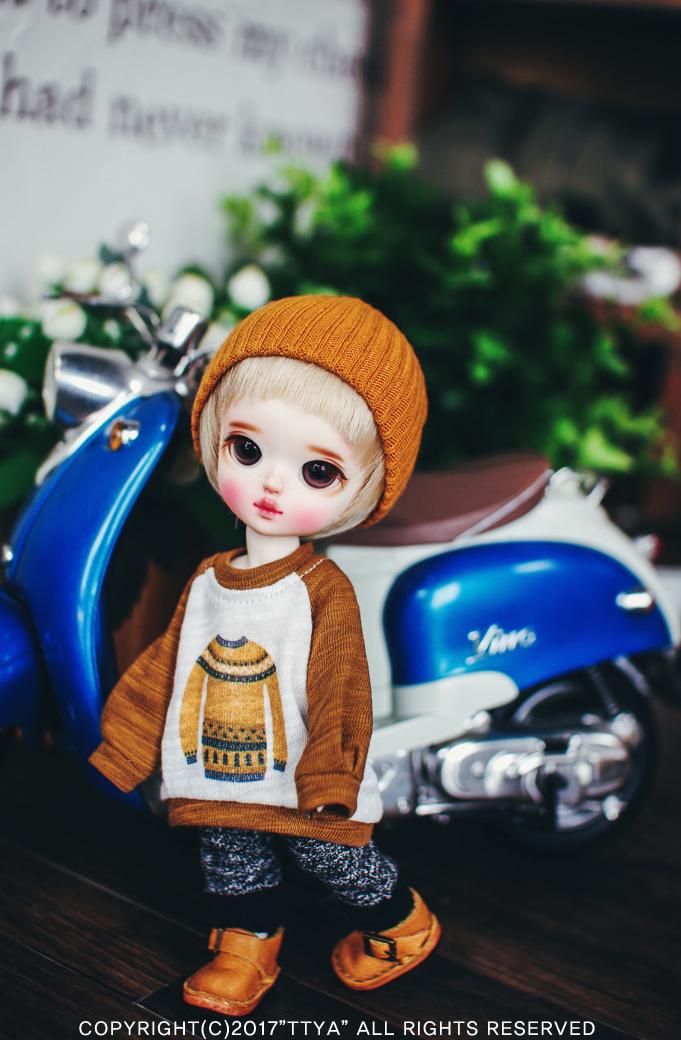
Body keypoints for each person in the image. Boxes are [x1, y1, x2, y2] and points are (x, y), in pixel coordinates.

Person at [89, 294, 440, 1017]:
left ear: (367, 487)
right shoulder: (209, 578)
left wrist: (332, 773)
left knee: (330, 853)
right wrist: (128, 739)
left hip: (304, 771)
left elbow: (342, 687)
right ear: (213, 438)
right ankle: (247, 940)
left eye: (319, 472)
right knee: (227, 847)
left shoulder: (320, 589)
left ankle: (401, 920)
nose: (273, 484)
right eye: (247, 451)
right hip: (220, 755)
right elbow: (168, 663)